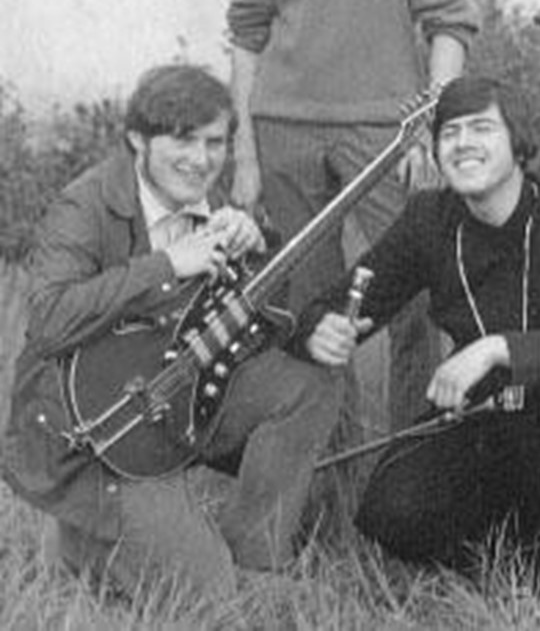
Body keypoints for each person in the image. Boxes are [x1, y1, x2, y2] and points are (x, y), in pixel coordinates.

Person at [0, 65, 341, 592]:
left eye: (214, 143)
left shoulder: (211, 201)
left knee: (308, 384)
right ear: (138, 139)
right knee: (209, 596)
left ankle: (255, 557)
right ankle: (81, 536)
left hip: (175, 401)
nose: (201, 160)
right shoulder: (85, 204)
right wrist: (167, 266)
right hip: (97, 426)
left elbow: (247, 324)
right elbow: (47, 319)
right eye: (183, 140)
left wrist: (257, 250)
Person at [226, 0, 478, 427]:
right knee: (310, 313)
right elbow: (247, 31)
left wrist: (430, 123)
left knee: (416, 299)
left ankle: (411, 453)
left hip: (388, 133)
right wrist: (246, 152)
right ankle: (331, 463)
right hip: (286, 129)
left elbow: (449, 21)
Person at [298, 75, 540, 574]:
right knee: (390, 512)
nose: (463, 144)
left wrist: (495, 348)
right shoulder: (428, 219)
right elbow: (337, 303)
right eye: (450, 133)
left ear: (518, 142)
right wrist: (318, 330)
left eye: (482, 128)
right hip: (480, 418)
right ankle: (506, 554)